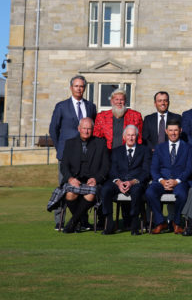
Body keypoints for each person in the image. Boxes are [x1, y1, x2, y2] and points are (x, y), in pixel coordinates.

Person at [49, 75, 97, 230]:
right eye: (76, 86)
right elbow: (53, 130)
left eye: (82, 86)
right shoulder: (61, 106)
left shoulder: (90, 106)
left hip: (85, 156)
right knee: (64, 187)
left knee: (83, 188)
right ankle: (59, 220)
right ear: (71, 87)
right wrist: (61, 149)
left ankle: (82, 220)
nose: (79, 89)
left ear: (85, 88)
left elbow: (92, 128)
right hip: (66, 155)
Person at [59, 118, 109, 233]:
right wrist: (70, 179)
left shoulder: (101, 143)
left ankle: (72, 223)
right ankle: (82, 221)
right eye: (84, 128)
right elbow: (64, 166)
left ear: (93, 130)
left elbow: (106, 166)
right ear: (79, 129)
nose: (86, 131)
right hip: (75, 179)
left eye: (89, 129)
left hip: (92, 181)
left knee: (90, 194)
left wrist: (96, 179)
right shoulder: (70, 143)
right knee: (70, 194)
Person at [146, 119, 192, 234]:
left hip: (180, 181)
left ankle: (176, 223)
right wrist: (162, 181)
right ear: (166, 131)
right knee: (149, 193)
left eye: (176, 130)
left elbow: (189, 169)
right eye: (171, 130)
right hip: (161, 181)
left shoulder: (188, 148)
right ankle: (160, 222)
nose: (173, 133)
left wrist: (177, 181)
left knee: (182, 194)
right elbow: (154, 168)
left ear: (180, 131)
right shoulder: (159, 147)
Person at [100, 124, 150, 235]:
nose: (131, 138)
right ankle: (109, 224)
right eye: (128, 135)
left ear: (137, 136)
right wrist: (118, 182)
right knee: (105, 190)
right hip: (119, 181)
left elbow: (146, 171)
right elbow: (112, 170)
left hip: (136, 182)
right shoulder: (116, 151)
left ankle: (134, 225)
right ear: (124, 137)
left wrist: (132, 182)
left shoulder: (144, 150)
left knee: (137, 191)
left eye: (133, 135)